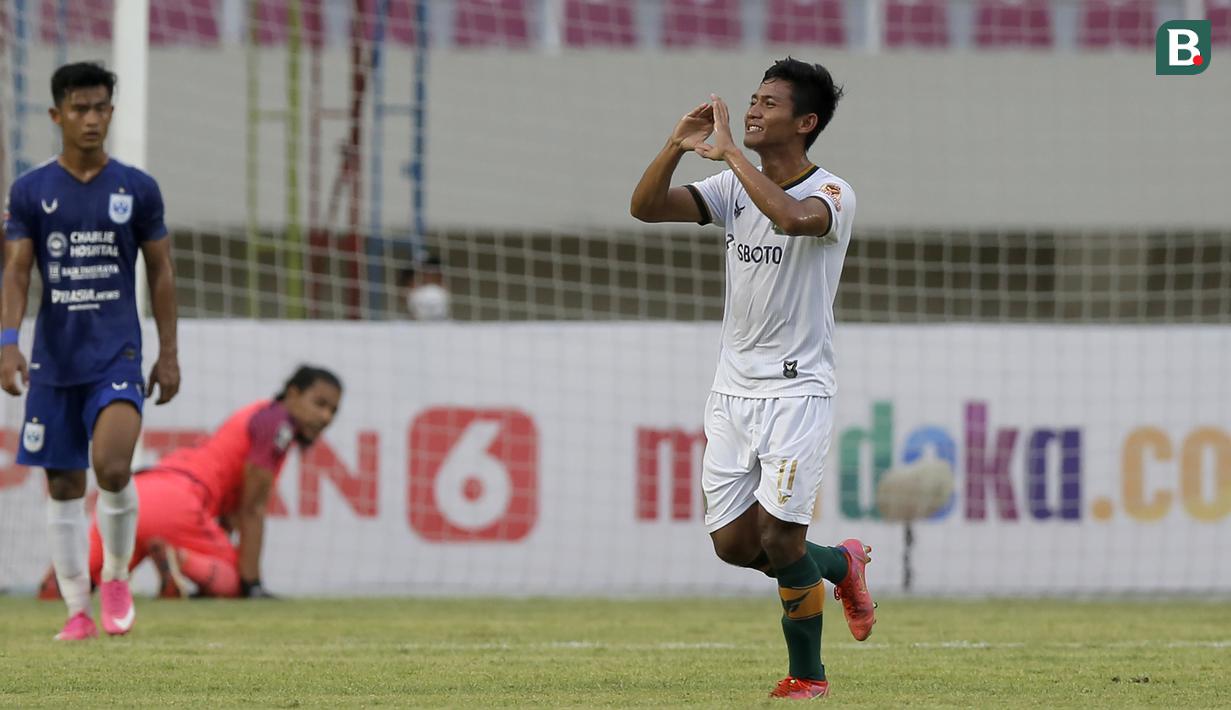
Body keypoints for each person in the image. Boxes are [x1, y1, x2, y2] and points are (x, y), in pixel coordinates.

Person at [630, 57, 873, 699]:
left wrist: (732, 153)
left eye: (769, 102)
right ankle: (843, 564)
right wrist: (675, 146)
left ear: (806, 121)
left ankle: (808, 677)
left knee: (780, 534)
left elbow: (792, 220)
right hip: (732, 388)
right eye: (753, 99)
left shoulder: (832, 193)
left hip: (797, 390)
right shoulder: (734, 188)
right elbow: (647, 208)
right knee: (735, 546)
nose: (754, 108)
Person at [1, 62, 180, 641]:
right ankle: (78, 610)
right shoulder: (31, 191)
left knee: (112, 466)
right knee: (63, 486)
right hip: (56, 361)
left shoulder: (137, 188)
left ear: (111, 111)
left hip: (118, 355)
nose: (91, 118)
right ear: (57, 115)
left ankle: (119, 575)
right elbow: (18, 271)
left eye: (101, 107)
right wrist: (7, 343)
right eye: (79, 108)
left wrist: (168, 353)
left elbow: (161, 272)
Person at [82, 365, 343, 599]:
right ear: (293, 394)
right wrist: (252, 585)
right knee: (231, 577)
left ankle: (66, 575)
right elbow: (252, 509)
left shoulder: (257, 415)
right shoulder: (279, 426)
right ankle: (179, 558)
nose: (326, 417)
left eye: (333, 410)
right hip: (178, 502)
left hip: (138, 489)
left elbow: (232, 511)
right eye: (320, 404)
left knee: (78, 581)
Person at [396, 252, 451, 321]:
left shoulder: (463, 330)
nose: (430, 291)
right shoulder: (389, 329)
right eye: (422, 283)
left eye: (436, 281)